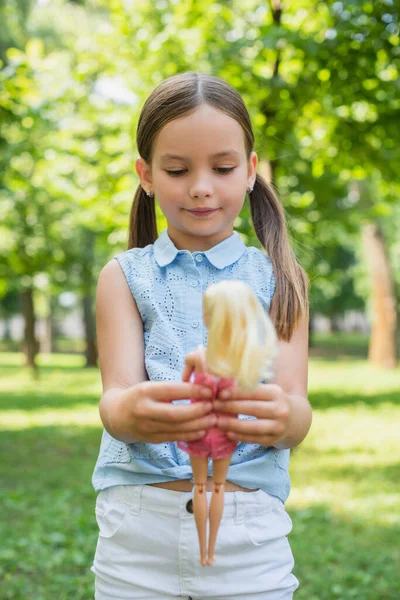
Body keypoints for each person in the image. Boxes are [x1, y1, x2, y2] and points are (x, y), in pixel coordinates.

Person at [91, 71, 311, 600]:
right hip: (138, 531)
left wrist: (285, 418)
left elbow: (297, 410)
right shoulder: (123, 276)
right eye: (177, 169)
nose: (201, 186)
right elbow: (115, 398)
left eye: (224, 167)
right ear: (145, 174)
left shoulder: (281, 278)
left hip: (249, 534)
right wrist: (132, 410)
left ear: (251, 170)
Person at [177, 281, 278, 567]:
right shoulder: (238, 362)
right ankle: (209, 552)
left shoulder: (196, 358)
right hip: (224, 431)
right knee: (217, 487)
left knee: (199, 487)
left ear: (209, 317)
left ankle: (202, 551)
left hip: (199, 429)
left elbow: (185, 387)